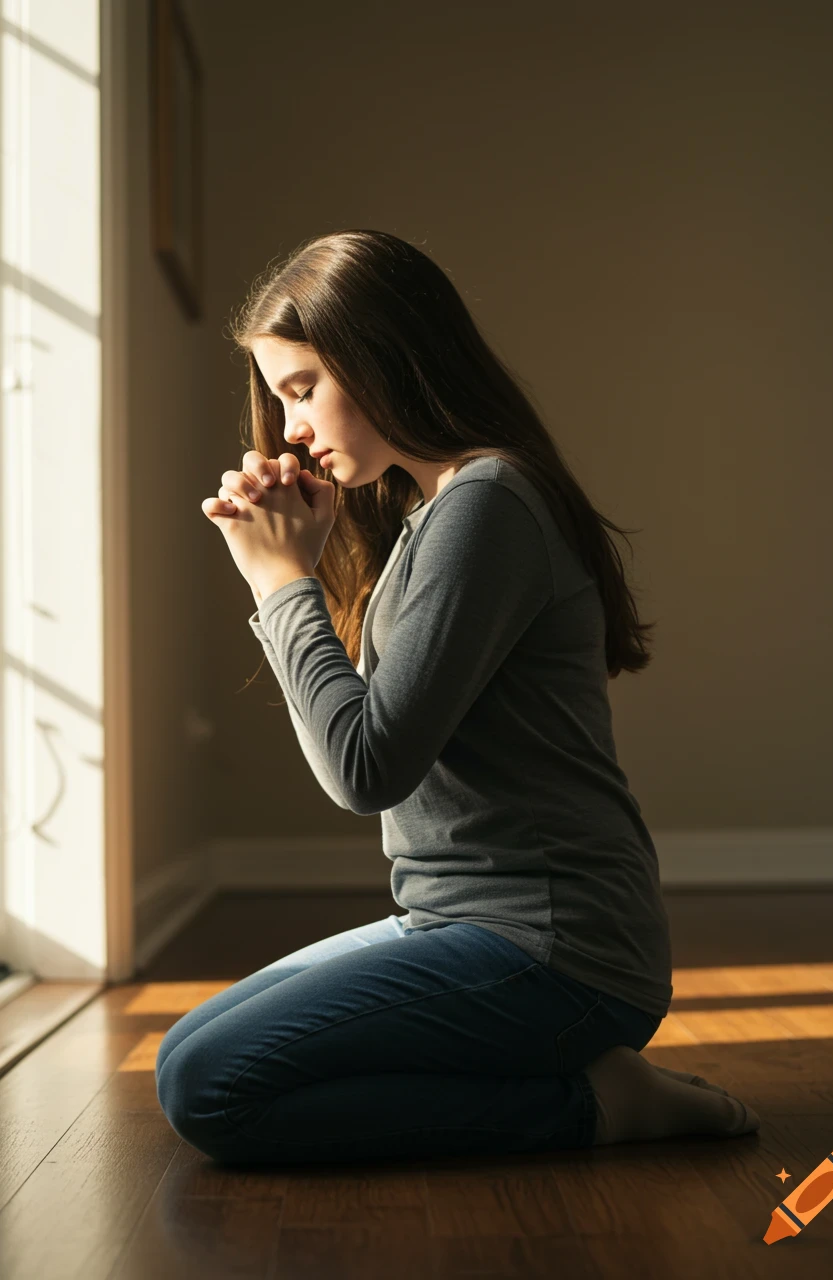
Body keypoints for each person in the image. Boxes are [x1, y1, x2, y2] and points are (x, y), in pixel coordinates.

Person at [156, 229, 759, 1167]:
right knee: (184, 1056)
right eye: (280, 402)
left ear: (380, 355)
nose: (290, 432)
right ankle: (577, 1084)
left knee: (212, 1089)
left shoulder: (488, 503)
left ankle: (595, 1107)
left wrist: (280, 586)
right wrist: (294, 569)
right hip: (448, 920)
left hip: (557, 951)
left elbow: (366, 770)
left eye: (302, 390)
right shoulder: (427, 517)